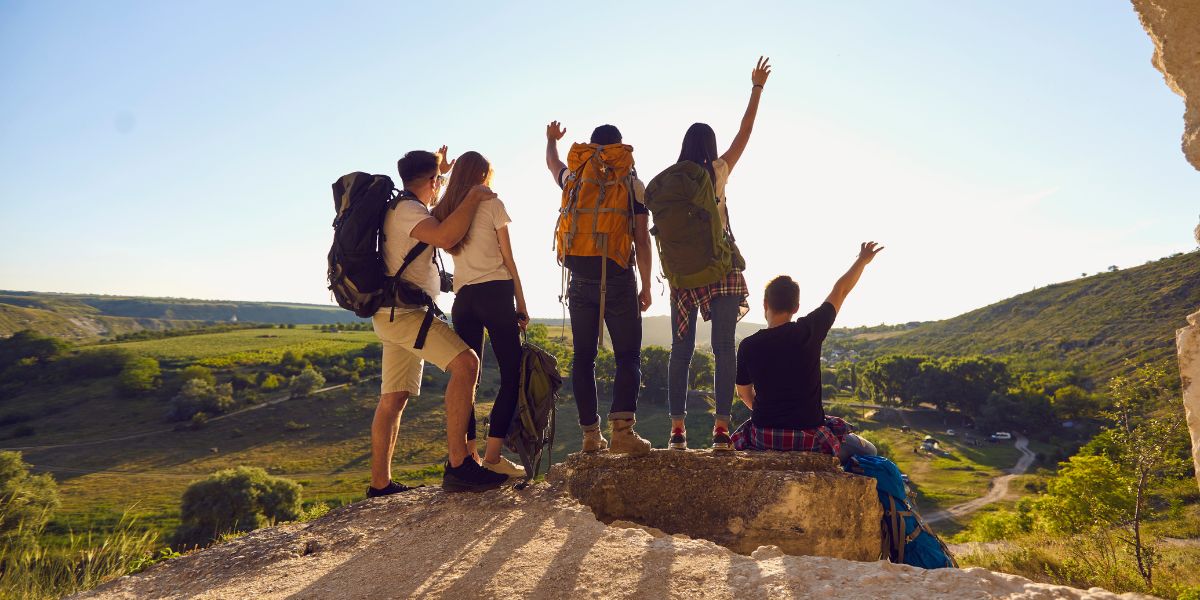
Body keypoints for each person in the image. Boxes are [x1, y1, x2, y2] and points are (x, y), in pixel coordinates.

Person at [368, 147, 509, 496]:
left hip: (391, 314)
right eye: (437, 181)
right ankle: (460, 465)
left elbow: (438, 214)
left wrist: (443, 172)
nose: (439, 187)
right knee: (467, 364)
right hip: (406, 315)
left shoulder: (402, 208)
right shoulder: (408, 211)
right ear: (430, 181)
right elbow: (447, 236)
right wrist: (475, 193)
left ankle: (379, 485)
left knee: (393, 398)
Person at [666, 57, 771, 451]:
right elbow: (745, 133)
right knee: (723, 347)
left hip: (681, 275)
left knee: (682, 350)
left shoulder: (670, 182)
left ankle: (677, 430)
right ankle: (722, 429)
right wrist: (756, 88)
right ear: (709, 147)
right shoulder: (718, 171)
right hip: (720, 270)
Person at [545, 121, 653, 455]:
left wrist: (551, 140)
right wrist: (646, 284)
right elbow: (640, 236)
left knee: (584, 358)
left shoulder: (576, 178)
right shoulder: (631, 182)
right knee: (627, 356)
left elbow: (554, 165)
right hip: (618, 276)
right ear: (619, 147)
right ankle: (622, 432)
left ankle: (591, 437)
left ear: (591, 147)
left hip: (579, 278)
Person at [731, 242, 885, 462]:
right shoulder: (808, 331)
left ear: (765, 304)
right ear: (796, 307)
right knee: (870, 451)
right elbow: (840, 290)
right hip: (810, 439)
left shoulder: (748, 345)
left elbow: (743, 393)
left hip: (763, 437)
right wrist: (862, 260)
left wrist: (772, 413)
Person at [431, 150, 528, 478]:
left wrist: (442, 174)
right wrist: (522, 304)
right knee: (512, 374)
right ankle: (494, 456)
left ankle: (469, 455)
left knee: (467, 378)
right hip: (496, 293)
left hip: (464, 299)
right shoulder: (492, 205)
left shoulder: (447, 211)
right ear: (483, 176)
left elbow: (435, 202)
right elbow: (509, 259)